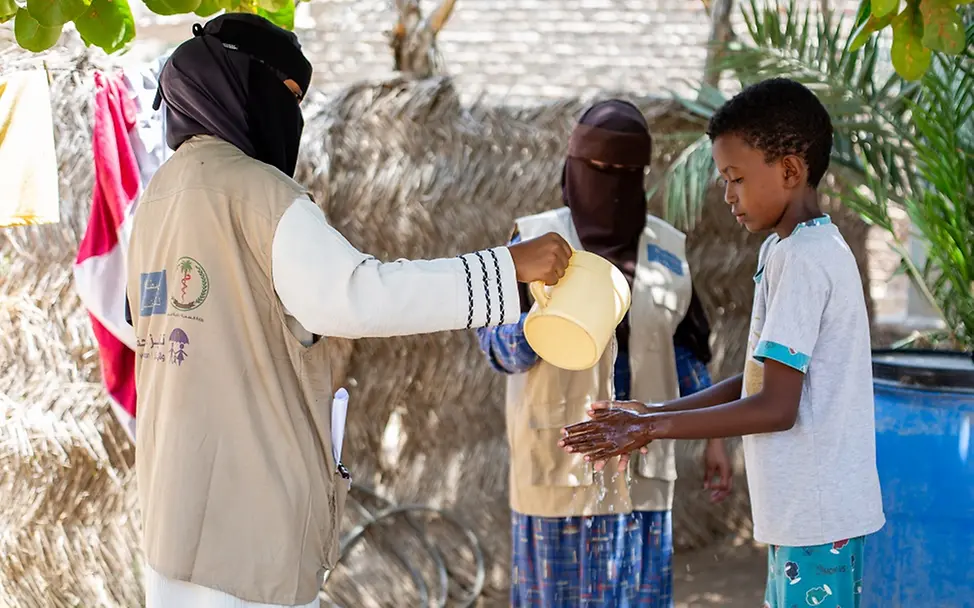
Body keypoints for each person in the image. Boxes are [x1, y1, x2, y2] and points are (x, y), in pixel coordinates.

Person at [124, 14, 573, 608]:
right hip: (243, 531)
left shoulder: (155, 199)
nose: (293, 118)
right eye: (285, 97)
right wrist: (505, 270)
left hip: (172, 521)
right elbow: (356, 297)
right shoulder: (258, 194)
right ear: (241, 86)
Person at [560, 78, 885, 608]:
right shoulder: (787, 250)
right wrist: (653, 412)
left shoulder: (805, 259)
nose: (727, 193)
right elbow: (758, 380)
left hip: (818, 516)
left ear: (789, 170)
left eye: (736, 177)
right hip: (808, 512)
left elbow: (777, 407)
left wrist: (653, 427)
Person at [476, 99, 731, 607]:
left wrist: (715, 440)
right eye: (597, 170)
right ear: (572, 168)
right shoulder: (535, 242)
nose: (609, 183)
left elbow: (685, 350)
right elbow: (498, 352)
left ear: (642, 175)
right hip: (556, 467)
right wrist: (546, 325)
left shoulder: (667, 249)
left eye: (625, 172)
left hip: (641, 471)